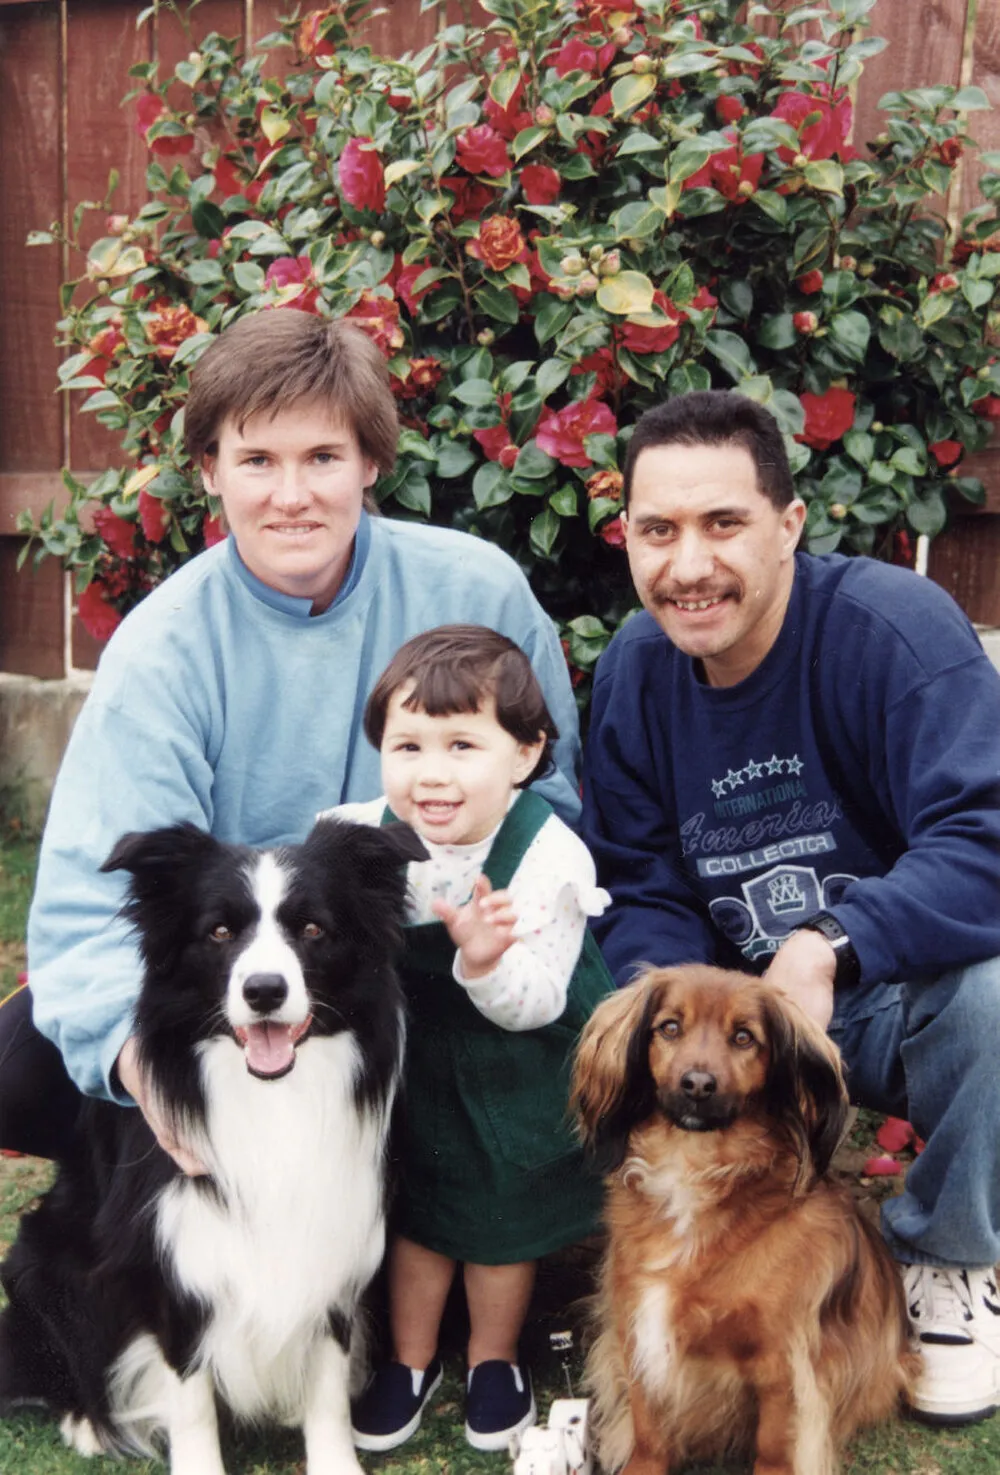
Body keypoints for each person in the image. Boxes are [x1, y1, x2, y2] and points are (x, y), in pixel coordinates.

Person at [0, 309, 581, 1180]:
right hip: (245, 986)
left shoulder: (477, 592)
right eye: (257, 460)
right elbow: (93, 905)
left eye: (323, 458)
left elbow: (551, 806)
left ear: (371, 463)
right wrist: (145, 1072)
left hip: (439, 970)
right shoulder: (165, 650)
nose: (291, 495)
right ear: (210, 471)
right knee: (22, 1064)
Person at [581, 389, 1000, 1427]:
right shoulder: (634, 672)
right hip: (742, 1028)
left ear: (789, 523)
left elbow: (986, 836)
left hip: (899, 995)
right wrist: (679, 1017)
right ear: (625, 537)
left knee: (996, 995)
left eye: (723, 523)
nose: (688, 565)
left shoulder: (888, 630)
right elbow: (637, 885)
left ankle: (948, 1259)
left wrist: (832, 944)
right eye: (657, 530)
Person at [323, 626, 613, 1455]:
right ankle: (410, 1361)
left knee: (499, 1224)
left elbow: (540, 999)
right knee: (419, 1215)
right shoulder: (351, 835)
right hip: (417, 1071)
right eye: (408, 744)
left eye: (462, 743)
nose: (432, 771)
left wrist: (484, 962)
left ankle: (494, 1357)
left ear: (525, 755)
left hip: (516, 1068)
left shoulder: (549, 858)